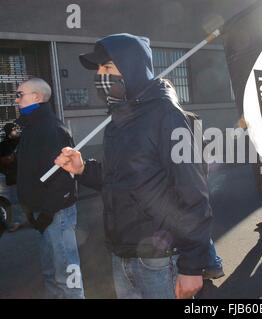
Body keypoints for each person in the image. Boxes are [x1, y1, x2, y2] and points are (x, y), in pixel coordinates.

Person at [55, 33, 214, 299]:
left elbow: (194, 192)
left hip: (160, 260)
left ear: (131, 69)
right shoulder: (119, 117)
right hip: (123, 255)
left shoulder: (166, 115)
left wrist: (192, 266)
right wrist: (83, 169)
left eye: (106, 67)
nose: (99, 76)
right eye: (97, 68)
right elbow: (119, 178)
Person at [15, 78, 85, 298]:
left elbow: (65, 177)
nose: (16, 100)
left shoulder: (52, 129)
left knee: (67, 277)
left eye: (20, 94)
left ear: (36, 97)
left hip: (57, 213)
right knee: (51, 274)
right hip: (43, 213)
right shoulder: (31, 128)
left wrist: (47, 211)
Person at [0, 123, 22, 232]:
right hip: (12, 177)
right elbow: (4, 161)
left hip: (24, 175)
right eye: (13, 129)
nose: (16, 131)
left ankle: (32, 219)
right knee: (15, 200)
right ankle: (17, 222)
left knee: (27, 198)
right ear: (8, 132)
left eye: (16, 129)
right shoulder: (3, 145)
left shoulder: (21, 140)